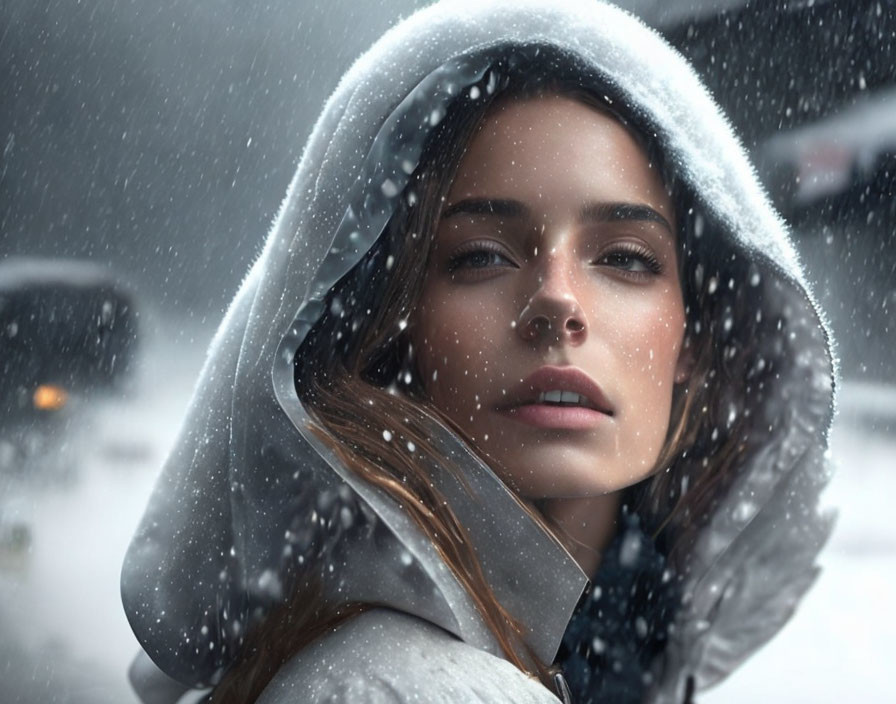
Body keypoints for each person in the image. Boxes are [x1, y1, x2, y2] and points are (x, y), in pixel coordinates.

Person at [120, 1, 837, 703]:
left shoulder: (604, 654)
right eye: (481, 256)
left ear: (697, 336)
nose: (557, 300)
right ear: (395, 324)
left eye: (623, 257)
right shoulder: (385, 690)